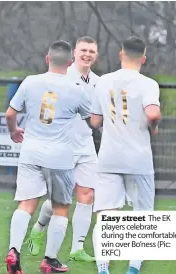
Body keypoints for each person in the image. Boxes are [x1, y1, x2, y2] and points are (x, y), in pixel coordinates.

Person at [4, 40, 91, 274]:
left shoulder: (31, 81)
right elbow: (92, 119)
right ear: (71, 62)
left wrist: (14, 131)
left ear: (47, 59)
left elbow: (10, 113)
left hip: (30, 151)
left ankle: (14, 250)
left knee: (26, 204)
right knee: (61, 207)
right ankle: (50, 260)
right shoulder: (76, 89)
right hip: (60, 156)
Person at [89, 36, 161, 274]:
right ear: (143, 58)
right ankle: (132, 269)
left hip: (109, 157)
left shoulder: (103, 81)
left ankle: (103, 268)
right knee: (141, 218)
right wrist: (154, 127)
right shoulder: (148, 84)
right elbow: (152, 114)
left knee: (107, 215)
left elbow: (95, 121)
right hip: (138, 159)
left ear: (121, 54)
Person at [25, 36, 99, 262]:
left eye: (92, 51)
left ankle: (77, 248)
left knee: (87, 194)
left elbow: (96, 116)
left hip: (86, 144)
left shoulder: (98, 81)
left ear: (96, 56)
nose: (87, 55)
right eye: (83, 50)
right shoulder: (63, 75)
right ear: (74, 53)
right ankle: (38, 229)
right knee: (60, 200)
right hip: (62, 145)